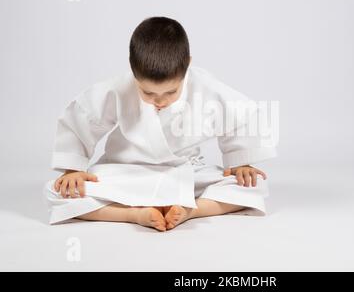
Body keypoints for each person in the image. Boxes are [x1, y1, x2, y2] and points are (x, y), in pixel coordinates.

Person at [44, 16, 277, 231]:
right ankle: (132, 215)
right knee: (58, 191)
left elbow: (240, 113)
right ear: (133, 70)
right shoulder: (117, 89)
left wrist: (240, 162)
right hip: (126, 173)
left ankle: (191, 210)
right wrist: (73, 169)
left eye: (170, 92)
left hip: (186, 173)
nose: (160, 101)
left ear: (187, 65)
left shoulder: (204, 87)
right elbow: (80, 119)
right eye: (148, 92)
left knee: (252, 186)